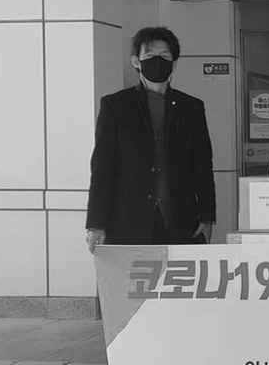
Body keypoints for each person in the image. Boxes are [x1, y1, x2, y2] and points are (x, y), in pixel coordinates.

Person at [86, 26, 215, 251]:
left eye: (164, 55)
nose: (158, 61)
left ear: (174, 63)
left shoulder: (191, 107)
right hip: (129, 216)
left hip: (180, 217)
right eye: (150, 55)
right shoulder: (115, 106)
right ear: (136, 61)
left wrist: (207, 216)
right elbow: (102, 168)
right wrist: (96, 224)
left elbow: (202, 166)